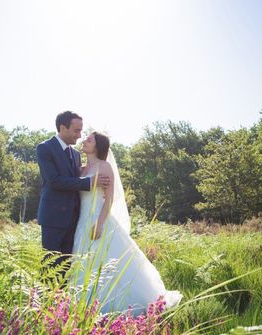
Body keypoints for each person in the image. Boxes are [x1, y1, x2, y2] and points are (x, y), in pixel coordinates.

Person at [71, 131, 182, 314]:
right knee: (86, 263)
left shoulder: (104, 166)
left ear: (98, 146)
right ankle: (87, 306)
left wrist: (99, 224)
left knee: (109, 261)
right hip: (81, 222)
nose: (84, 141)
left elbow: (109, 199)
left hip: (99, 219)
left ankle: (120, 306)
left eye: (89, 140)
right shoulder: (81, 169)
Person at [36, 111, 110, 277]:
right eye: (76, 130)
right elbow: (54, 181)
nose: (80, 135)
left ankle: (61, 300)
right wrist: (90, 183)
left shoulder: (76, 155)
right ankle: (48, 301)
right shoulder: (45, 148)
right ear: (63, 128)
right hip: (53, 218)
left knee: (66, 266)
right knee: (50, 265)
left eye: (81, 131)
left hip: (75, 220)